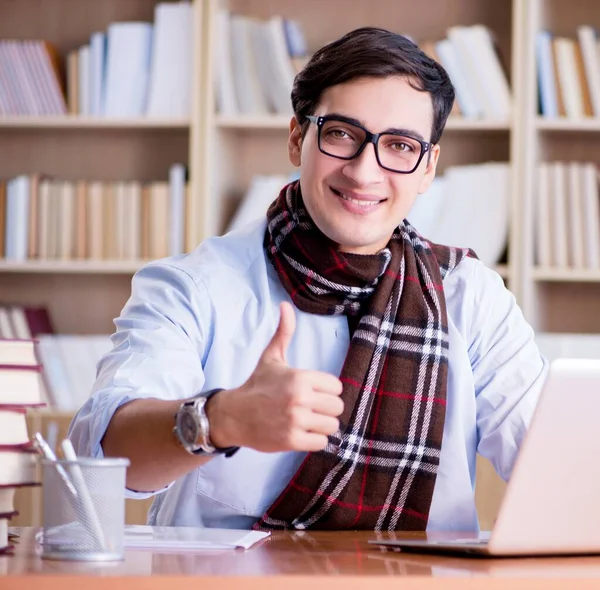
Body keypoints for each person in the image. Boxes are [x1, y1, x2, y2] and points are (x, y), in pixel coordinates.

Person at [69, 27, 547, 532]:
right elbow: (103, 454)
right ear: (299, 139)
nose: (365, 172)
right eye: (342, 134)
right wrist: (222, 419)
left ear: (427, 168)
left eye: (401, 146)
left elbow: (552, 462)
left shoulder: (470, 295)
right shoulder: (195, 285)